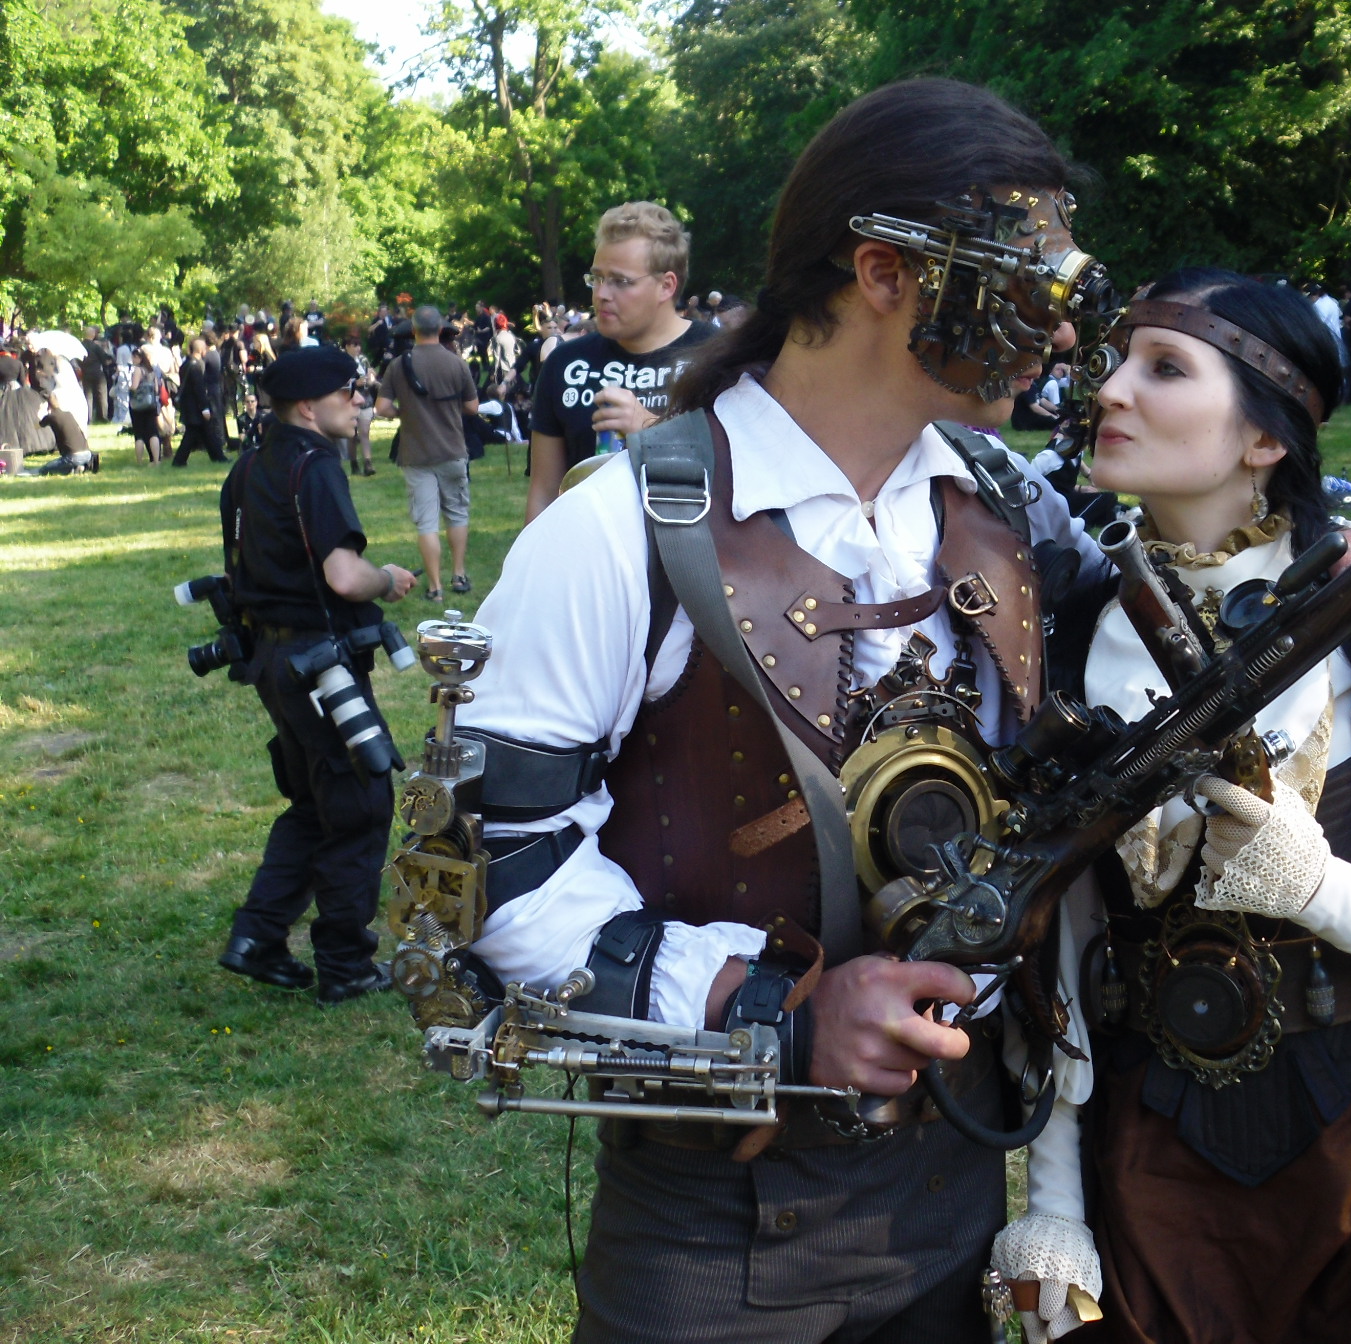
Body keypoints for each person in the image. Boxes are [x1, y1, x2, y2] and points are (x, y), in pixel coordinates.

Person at [448, 78, 1108, 1343]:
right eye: (1025, 289)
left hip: (956, 1181)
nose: (1061, 333)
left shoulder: (1007, 505)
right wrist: (768, 1010)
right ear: (882, 271)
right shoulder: (619, 531)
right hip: (716, 1223)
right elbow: (495, 866)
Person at [1031, 268, 1351, 1344]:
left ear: (1265, 437)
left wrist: (1325, 893)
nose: (1110, 390)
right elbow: (1061, 943)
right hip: (1146, 1160)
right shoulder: (1070, 631)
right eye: (1115, 362)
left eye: (1164, 369)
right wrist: (1053, 1203)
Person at [215, 345, 418, 1003]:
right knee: (360, 805)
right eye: (346, 393)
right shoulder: (318, 464)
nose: (358, 402)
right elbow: (344, 576)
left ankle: (257, 937)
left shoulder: (248, 466)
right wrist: (388, 579)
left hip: (272, 661)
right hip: (320, 665)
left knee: (314, 803)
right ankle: (345, 964)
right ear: (308, 406)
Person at [526, 202, 712, 523]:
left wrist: (650, 428)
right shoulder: (565, 364)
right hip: (588, 545)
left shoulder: (717, 356)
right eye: (597, 278)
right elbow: (544, 493)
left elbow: (743, 476)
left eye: (620, 281)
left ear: (666, 285)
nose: (601, 294)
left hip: (688, 546)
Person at [376, 306, 480, 600]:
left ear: (413, 331)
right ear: (440, 329)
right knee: (457, 514)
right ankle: (458, 575)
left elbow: (381, 408)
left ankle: (435, 587)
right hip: (452, 450)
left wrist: (404, 412)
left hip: (416, 454)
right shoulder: (456, 363)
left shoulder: (399, 365)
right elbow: (472, 407)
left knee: (426, 523)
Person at [172, 335, 229, 466]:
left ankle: (218, 457)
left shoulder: (186, 364)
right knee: (192, 434)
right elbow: (199, 389)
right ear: (201, 350)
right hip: (196, 406)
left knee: (208, 433)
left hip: (189, 405)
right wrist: (205, 408)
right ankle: (179, 461)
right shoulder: (196, 366)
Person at [343, 335, 378, 475]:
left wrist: (370, 379)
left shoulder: (363, 360)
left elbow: (371, 380)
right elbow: (339, 382)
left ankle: (368, 464)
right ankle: (354, 463)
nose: (358, 348)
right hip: (349, 400)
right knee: (352, 434)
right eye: (354, 345)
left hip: (365, 399)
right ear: (347, 346)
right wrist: (354, 383)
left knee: (364, 432)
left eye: (359, 345)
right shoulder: (342, 362)